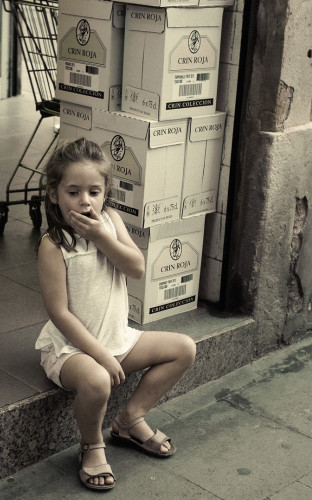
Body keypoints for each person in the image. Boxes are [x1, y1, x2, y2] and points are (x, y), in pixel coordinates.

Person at [36, 137, 196, 490]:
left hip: (118, 340)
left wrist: (103, 237)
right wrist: (101, 357)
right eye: (73, 192)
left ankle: (130, 418)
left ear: (105, 191)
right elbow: (60, 314)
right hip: (72, 350)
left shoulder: (110, 219)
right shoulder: (53, 245)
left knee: (184, 348)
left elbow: (136, 267)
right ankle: (92, 444)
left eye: (93, 191)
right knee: (97, 380)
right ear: (53, 194)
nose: (84, 201)